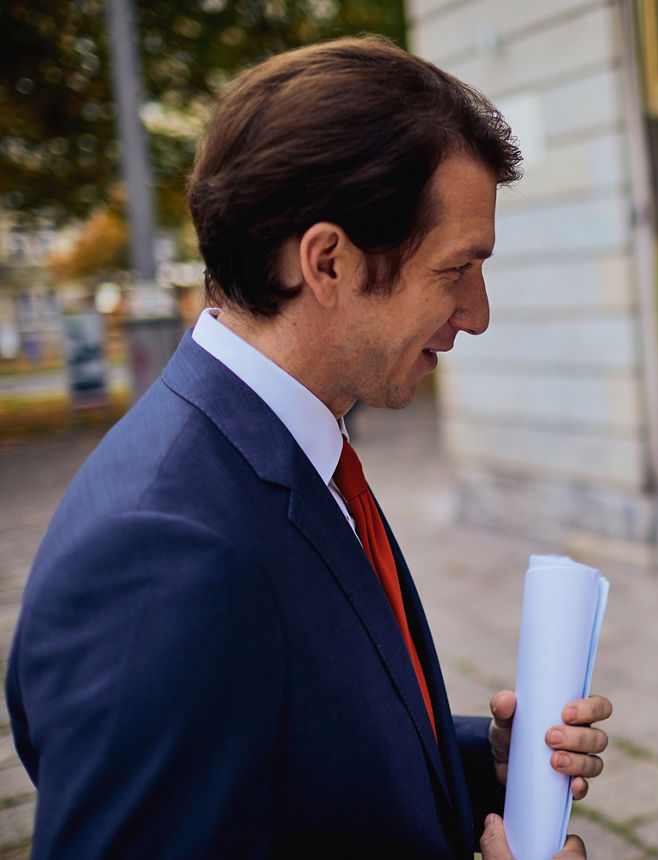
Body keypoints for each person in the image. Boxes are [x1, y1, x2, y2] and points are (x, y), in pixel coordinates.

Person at [7, 37, 609, 860]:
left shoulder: (290, 446)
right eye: (456, 268)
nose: (478, 311)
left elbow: (297, 751)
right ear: (327, 261)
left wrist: (485, 762)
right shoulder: (160, 557)